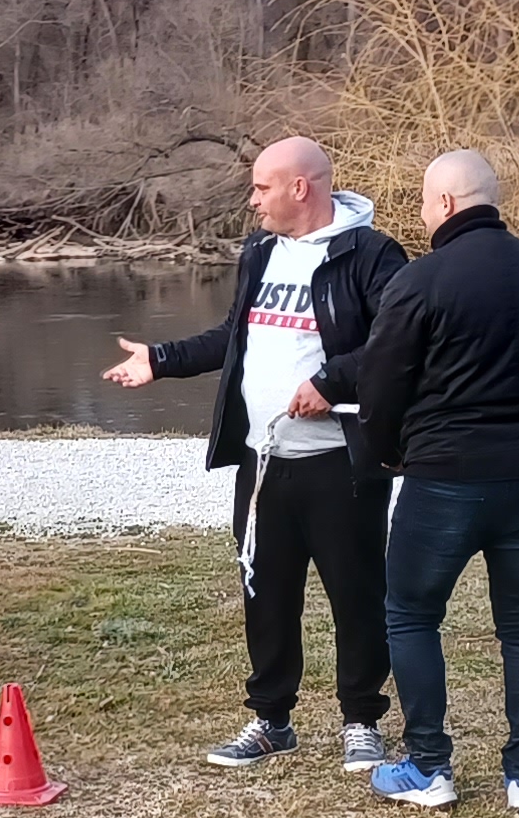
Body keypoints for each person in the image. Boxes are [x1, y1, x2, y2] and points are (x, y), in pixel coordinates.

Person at [102, 136, 407, 771]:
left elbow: (398, 345)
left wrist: (331, 383)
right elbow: (233, 338)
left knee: (355, 593)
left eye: (262, 187)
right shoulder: (260, 252)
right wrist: (160, 361)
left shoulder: (372, 255)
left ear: (301, 187)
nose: (253, 200)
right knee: (265, 592)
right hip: (263, 464)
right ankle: (272, 720)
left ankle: (361, 721)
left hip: (340, 463)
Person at [353, 148, 519, 813]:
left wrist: (384, 454)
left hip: (444, 472)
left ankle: (430, 766)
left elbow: (381, 384)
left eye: (425, 201)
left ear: (446, 205)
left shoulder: (419, 282)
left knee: (410, 614)